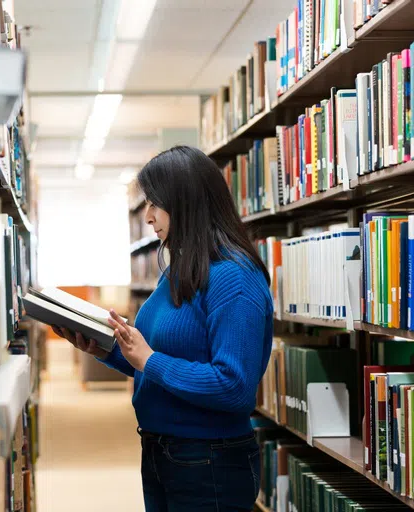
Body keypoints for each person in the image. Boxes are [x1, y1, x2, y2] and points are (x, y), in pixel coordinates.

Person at [52, 145, 273, 512]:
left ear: (186, 202)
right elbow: (157, 361)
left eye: (156, 203)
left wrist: (149, 360)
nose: (149, 216)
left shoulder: (235, 278)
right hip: (162, 451)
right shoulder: (178, 270)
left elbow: (234, 387)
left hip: (208, 461)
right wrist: (108, 349)